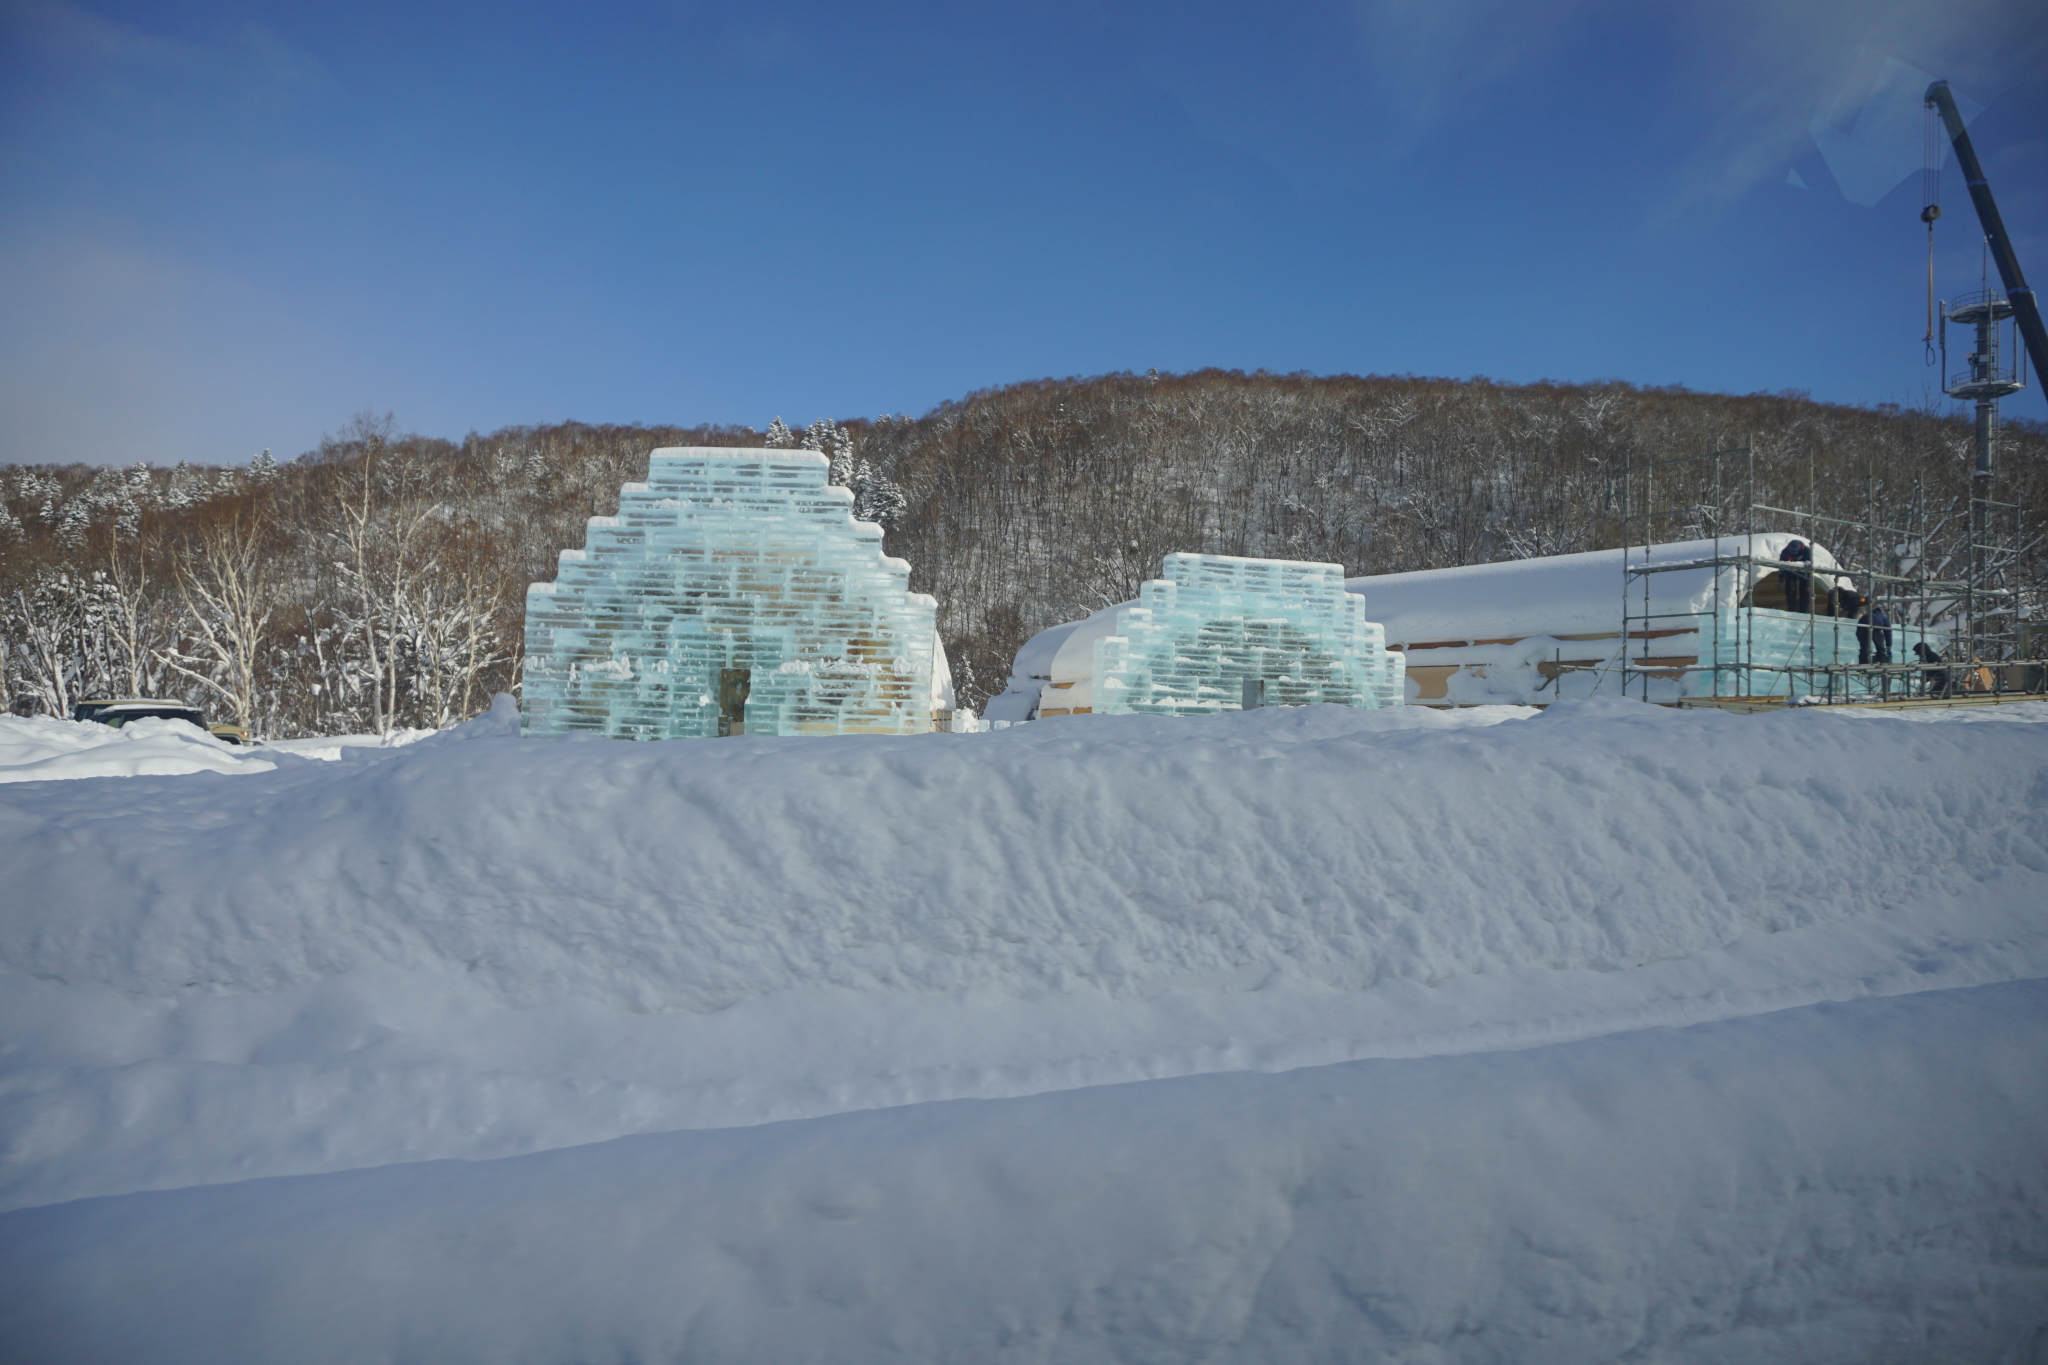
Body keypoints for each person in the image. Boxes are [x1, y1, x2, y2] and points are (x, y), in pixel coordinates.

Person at [1778, 539, 1814, 613]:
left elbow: (1810, 564)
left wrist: (1808, 574)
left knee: (1805, 590)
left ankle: (1804, 610)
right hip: (1790, 571)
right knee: (1790, 589)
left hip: (1804, 571)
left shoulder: (1807, 550)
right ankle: (1792, 609)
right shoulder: (1785, 552)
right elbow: (1781, 566)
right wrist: (1781, 579)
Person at [1859, 599, 1892, 665]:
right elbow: (1888, 631)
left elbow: (1858, 629)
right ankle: (1881, 662)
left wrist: (1861, 641)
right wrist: (1888, 645)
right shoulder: (1882, 617)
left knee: (1864, 648)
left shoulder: (1865, 616)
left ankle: (1863, 663)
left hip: (1862, 628)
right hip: (1875, 628)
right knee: (1880, 647)